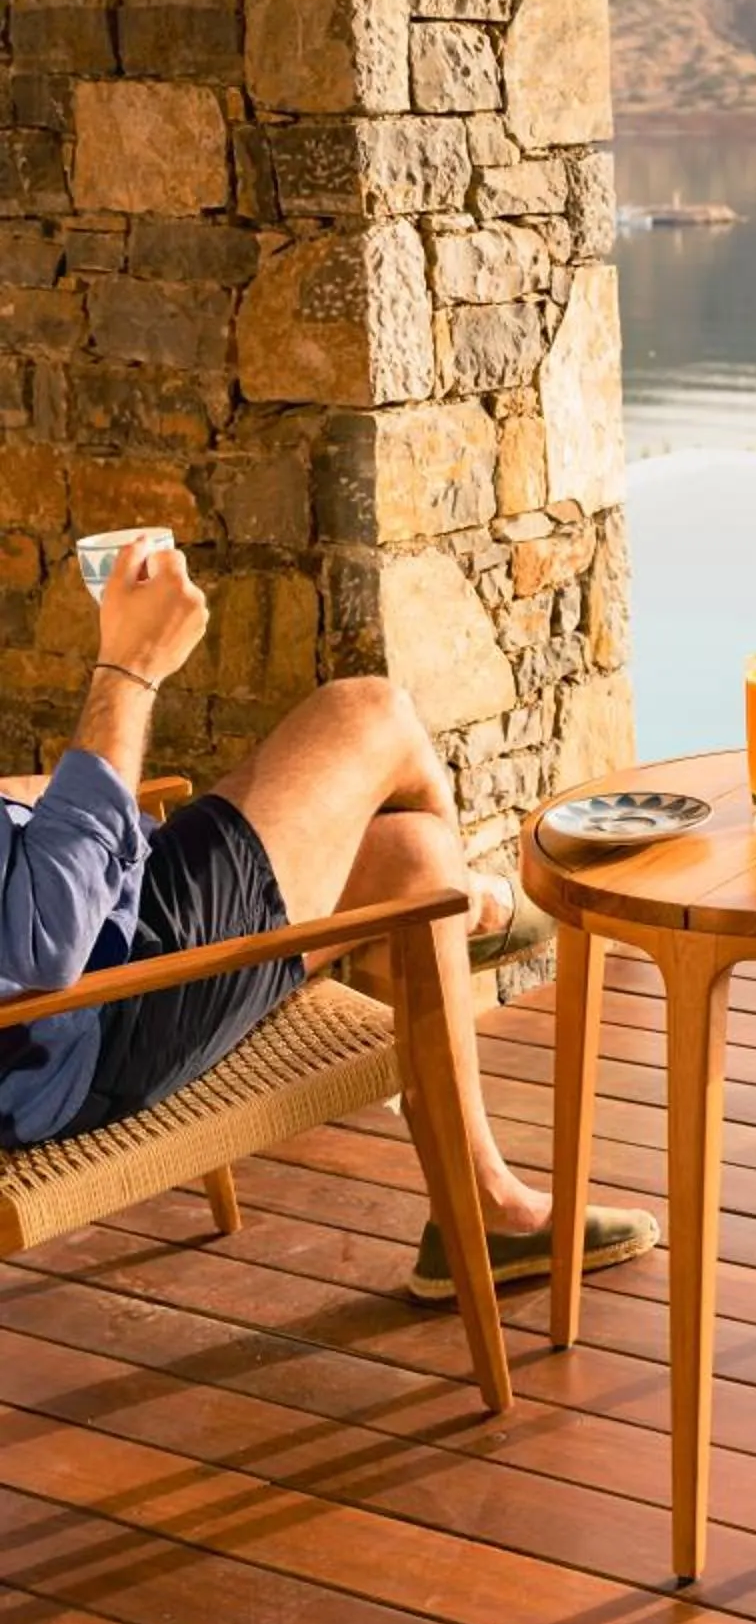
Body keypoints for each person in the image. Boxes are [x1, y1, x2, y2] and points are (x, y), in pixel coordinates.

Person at [0, 534, 656, 1303]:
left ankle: (480, 1204)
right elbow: (43, 943)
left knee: (409, 854)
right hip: (92, 1018)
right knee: (369, 713)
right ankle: (469, 905)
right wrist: (128, 670)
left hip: (95, 943)